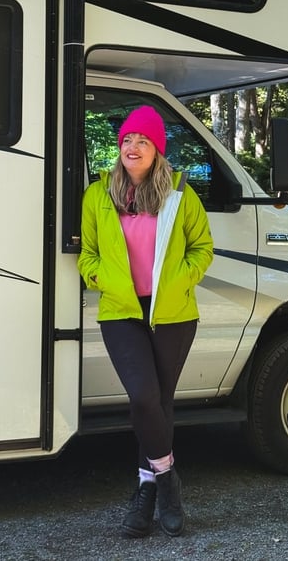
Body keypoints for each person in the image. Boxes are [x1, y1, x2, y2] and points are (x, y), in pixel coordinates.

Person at [78, 105, 214, 538]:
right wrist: (97, 276)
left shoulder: (179, 194)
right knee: (142, 398)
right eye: (126, 140)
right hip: (121, 312)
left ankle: (145, 493)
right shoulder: (98, 194)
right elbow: (87, 252)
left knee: (159, 402)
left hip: (172, 313)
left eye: (142, 141)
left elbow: (203, 248)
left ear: (158, 150)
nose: (131, 147)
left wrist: (181, 279)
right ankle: (169, 480)